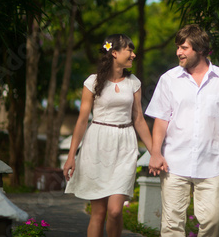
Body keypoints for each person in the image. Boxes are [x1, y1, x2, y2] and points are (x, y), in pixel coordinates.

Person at [146, 24, 219, 236]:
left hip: (211, 164)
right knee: (171, 226)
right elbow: (161, 119)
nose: (178, 52)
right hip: (174, 163)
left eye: (184, 47)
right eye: (178, 47)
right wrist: (155, 152)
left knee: (213, 220)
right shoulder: (169, 80)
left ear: (200, 50)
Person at [63, 34, 152, 237]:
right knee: (99, 212)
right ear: (114, 53)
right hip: (97, 144)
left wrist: (155, 152)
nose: (133, 54)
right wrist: (71, 156)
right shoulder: (92, 82)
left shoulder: (134, 83)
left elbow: (138, 119)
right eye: (129, 50)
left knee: (115, 210)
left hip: (125, 144)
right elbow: (82, 120)